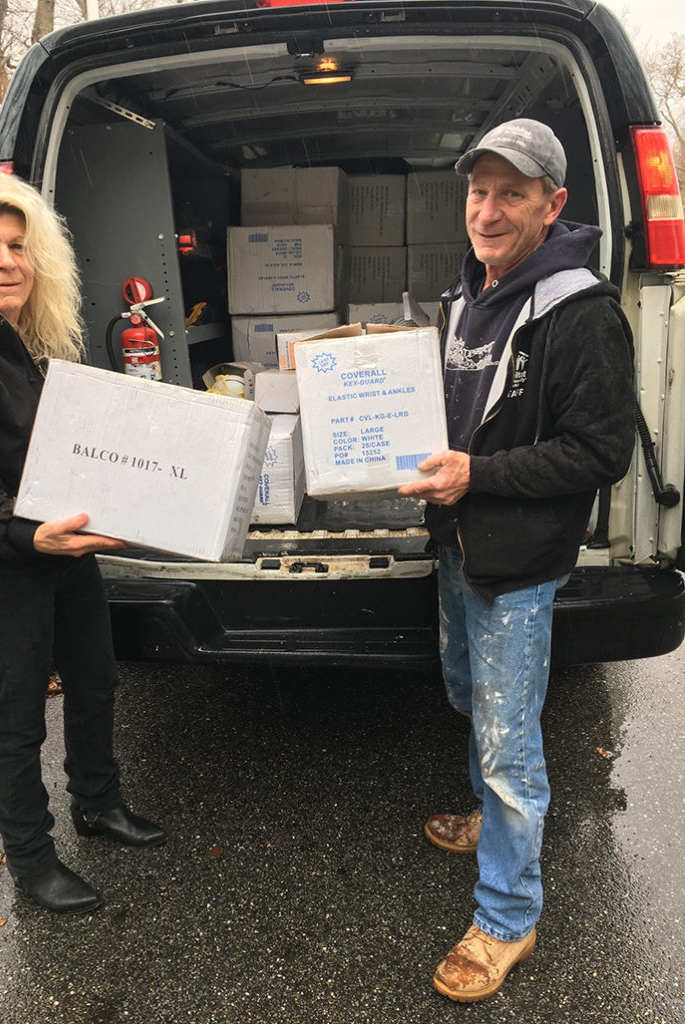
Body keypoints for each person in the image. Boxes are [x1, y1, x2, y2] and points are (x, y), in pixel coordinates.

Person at [398, 119, 636, 1002]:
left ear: (553, 205)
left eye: (511, 194)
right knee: (469, 696)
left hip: (518, 561)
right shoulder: (468, 295)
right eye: (478, 191)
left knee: (507, 743)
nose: (488, 211)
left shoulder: (580, 311)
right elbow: (456, 419)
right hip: (459, 545)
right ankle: (487, 822)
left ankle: (507, 914)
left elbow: (601, 450)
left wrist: (477, 473)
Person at [0, 172, 167, 915]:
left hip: (62, 547)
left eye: (19, 246)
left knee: (95, 678)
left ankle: (98, 801)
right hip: (1, 560)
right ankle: (30, 857)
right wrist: (34, 537)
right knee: (19, 710)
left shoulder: (17, 339)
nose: (6, 261)